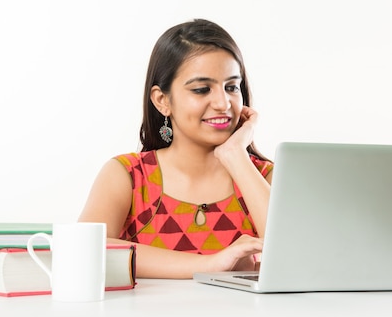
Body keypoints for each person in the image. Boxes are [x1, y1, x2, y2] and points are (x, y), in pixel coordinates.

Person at [78, 19, 273, 279]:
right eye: (202, 89)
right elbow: (85, 250)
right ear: (162, 101)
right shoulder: (127, 175)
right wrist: (211, 265)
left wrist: (235, 154)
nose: (222, 103)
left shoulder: (263, 178)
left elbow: (298, 255)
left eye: (231, 87)